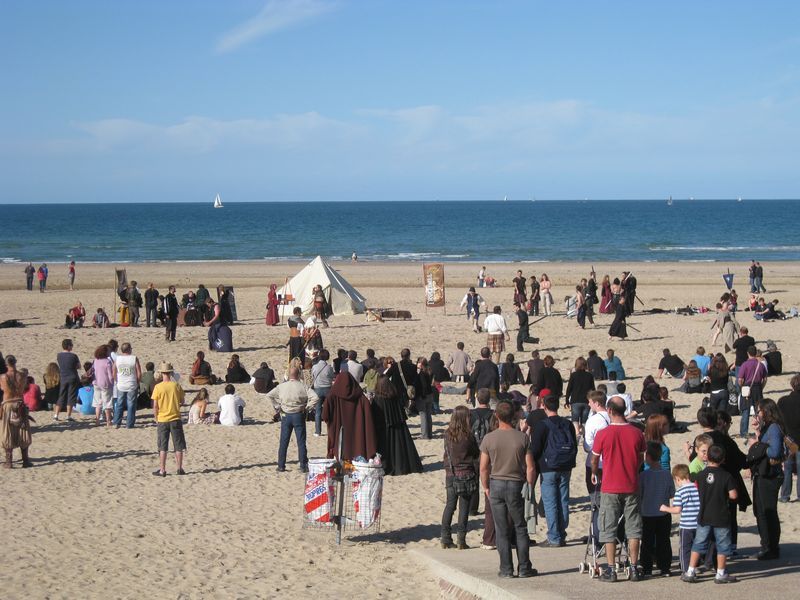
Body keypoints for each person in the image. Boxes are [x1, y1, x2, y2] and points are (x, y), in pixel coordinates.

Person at [479, 400, 538, 578]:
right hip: (516, 483)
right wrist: (529, 486)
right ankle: (524, 567)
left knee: (501, 528)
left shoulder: (489, 438)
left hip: (496, 483)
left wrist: (485, 487)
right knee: (520, 527)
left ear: (496, 416)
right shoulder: (522, 438)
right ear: (513, 415)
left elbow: (483, 468)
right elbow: (530, 467)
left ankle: (506, 569)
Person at [590, 396, 646, 582]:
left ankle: (611, 569)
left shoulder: (603, 434)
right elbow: (640, 459)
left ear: (610, 410)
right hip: (631, 484)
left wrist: (595, 472)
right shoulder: (637, 433)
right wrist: (632, 469)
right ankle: (634, 567)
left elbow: (595, 459)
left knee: (608, 528)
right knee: (633, 527)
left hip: (610, 486)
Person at [680, 445, 738, 583]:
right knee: (722, 545)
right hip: (721, 516)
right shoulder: (726, 476)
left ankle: (690, 571)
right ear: (723, 459)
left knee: (698, 543)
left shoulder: (700, 475)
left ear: (707, 457)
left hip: (704, 514)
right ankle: (720, 573)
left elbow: (696, 486)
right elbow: (733, 495)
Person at [529, 394, 577, 548]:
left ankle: (554, 537)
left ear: (544, 406)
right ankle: (561, 533)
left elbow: (536, 449)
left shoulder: (542, 425)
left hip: (548, 467)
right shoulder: (567, 423)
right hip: (566, 466)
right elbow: (574, 445)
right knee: (563, 500)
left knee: (550, 502)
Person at [748, 399, 784, 559]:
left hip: (770, 475)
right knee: (760, 511)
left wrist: (758, 445)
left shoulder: (774, 427)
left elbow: (774, 451)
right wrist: (758, 431)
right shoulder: (767, 427)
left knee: (768, 512)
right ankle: (766, 545)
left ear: (767, 411)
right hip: (761, 474)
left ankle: (772, 548)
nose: (757, 413)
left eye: (759, 410)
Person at [441, 405, 481, 549]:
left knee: (450, 506)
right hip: (466, 474)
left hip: (450, 473)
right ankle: (461, 540)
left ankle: (445, 538)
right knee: (464, 508)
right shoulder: (468, 436)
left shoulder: (447, 434)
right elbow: (475, 454)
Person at [267, 367, 319, 472]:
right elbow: (315, 397)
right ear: (299, 375)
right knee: (301, 441)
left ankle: (281, 465)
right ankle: (303, 466)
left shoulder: (281, 386)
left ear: (288, 375)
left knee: (284, 441)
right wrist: (307, 407)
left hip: (285, 415)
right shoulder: (303, 386)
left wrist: (277, 406)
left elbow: (269, 395)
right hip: (299, 414)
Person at [371, 375, 422, 476]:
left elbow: (375, 415)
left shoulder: (378, 398)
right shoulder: (394, 396)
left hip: (384, 428)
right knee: (400, 447)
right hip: (398, 426)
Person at [638, 441, 675, 577]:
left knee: (647, 541)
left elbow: (639, 494)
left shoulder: (643, 476)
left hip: (648, 513)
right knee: (664, 540)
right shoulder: (666, 474)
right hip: (663, 512)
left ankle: (647, 568)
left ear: (647, 456)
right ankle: (665, 567)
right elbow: (671, 493)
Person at [661, 464, 701, 574]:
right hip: (698, 524)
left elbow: (677, 509)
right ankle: (695, 566)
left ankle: (686, 569)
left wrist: (665, 508)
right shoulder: (697, 488)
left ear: (677, 479)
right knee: (696, 547)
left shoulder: (680, 492)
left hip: (686, 525)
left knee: (685, 548)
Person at [151, 363, 186, 477]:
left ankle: (162, 470)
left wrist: (156, 417)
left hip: (163, 419)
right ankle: (179, 468)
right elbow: (182, 401)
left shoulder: (158, 387)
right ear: (170, 373)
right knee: (178, 445)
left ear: (162, 373)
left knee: (163, 446)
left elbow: (155, 406)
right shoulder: (176, 385)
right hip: (175, 418)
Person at [1, 356, 33, 468]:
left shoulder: (2, 377)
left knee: (7, 432)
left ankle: (9, 461)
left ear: (6, 364)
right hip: (20, 404)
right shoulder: (22, 376)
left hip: (8, 404)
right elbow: (26, 388)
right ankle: (25, 460)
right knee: (23, 432)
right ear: (15, 362)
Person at [737, 345, 768, 438]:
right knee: (758, 410)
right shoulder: (760, 365)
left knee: (745, 410)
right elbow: (765, 379)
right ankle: (760, 429)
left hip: (747, 387)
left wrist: (742, 387)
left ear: (748, 353)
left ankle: (744, 432)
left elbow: (740, 379)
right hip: (757, 388)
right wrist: (761, 387)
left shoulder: (745, 364)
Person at [778, 374, 800, 502]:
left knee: (787, 468)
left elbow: (779, 421)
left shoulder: (783, 401)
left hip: (788, 439)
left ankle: (785, 495)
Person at [583, 391, 610, 493]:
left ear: (597, 403)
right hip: (612, 461)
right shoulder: (614, 417)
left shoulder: (593, 420)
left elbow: (588, 447)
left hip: (597, 463)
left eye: (590, 402)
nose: (589, 404)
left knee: (596, 494)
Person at [564, 357, 595, 438]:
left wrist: (567, 400)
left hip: (575, 400)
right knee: (584, 420)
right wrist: (593, 400)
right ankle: (584, 435)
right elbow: (593, 389)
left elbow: (569, 389)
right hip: (586, 400)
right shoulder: (589, 375)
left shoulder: (573, 375)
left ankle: (577, 434)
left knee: (575, 419)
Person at [54, 338, 80, 422]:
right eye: (71, 345)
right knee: (71, 397)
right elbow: (78, 366)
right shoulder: (73, 356)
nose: (72, 346)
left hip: (63, 377)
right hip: (72, 377)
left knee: (61, 395)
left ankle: (56, 415)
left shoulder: (59, 355)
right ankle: (68, 415)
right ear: (68, 346)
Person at [309, 350, 334, 436]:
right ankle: (331, 430)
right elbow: (332, 377)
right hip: (328, 389)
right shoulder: (329, 368)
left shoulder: (315, 367)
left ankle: (318, 431)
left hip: (318, 389)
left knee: (318, 411)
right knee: (330, 410)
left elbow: (312, 376)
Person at [92, 345, 114, 427]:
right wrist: (113, 383)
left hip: (96, 383)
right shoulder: (107, 362)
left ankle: (97, 420)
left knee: (98, 403)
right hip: (105, 384)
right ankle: (108, 421)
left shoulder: (96, 360)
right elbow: (110, 376)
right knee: (107, 403)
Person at [414, 357, 434, 439]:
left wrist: (422, 395)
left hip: (424, 395)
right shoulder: (429, 371)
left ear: (421, 364)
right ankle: (430, 433)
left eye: (418, 362)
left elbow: (424, 385)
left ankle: (425, 435)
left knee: (423, 415)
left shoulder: (422, 373)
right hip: (430, 394)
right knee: (428, 415)